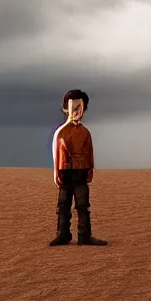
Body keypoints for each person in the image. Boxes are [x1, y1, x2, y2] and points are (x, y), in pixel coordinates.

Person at [49, 89, 108, 246]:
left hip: (81, 172)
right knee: (63, 205)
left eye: (80, 107)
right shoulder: (60, 132)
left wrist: (90, 169)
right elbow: (56, 152)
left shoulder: (85, 133)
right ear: (65, 109)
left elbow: (89, 152)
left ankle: (84, 235)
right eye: (73, 107)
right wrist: (56, 173)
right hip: (65, 172)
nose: (77, 111)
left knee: (83, 205)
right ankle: (63, 234)